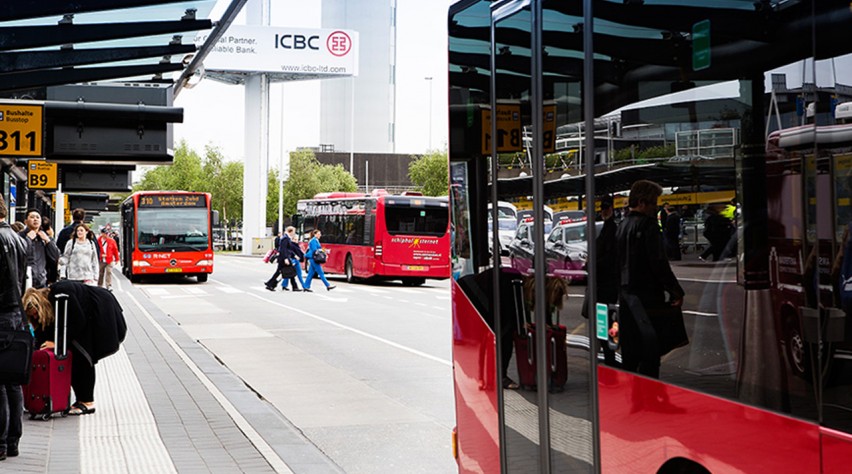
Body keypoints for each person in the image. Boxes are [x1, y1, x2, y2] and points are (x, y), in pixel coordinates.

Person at [22, 280, 127, 416]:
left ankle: (87, 401)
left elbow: (78, 320)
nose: (35, 317)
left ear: (41, 306)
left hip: (103, 312)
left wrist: (57, 343)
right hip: (90, 314)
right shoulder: (51, 303)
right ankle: (80, 399)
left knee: (82, 355)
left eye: (36, 313)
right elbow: (43, 333)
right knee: (75, 354)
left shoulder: (61, 294)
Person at [616, 180, 684, 378]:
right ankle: (649, 397)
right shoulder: (648, 226)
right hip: (647, 298)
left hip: (626, 298)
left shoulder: (622, 226)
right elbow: (658, 263)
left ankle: (633, 399)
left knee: (630, 352)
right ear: (642, 202)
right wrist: (675, 290)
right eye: (653, 203)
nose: (656, 208)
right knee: (650, 352)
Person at [0, 195, 28, 459]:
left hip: (0, 313)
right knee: (12, 380)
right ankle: (13, 441)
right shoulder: (19, 239)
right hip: (15, 314)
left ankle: (0, 443)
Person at [583, 195, 619, 367]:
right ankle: (608, 354)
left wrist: (591, 265)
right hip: (605, 285)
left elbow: (609, 258)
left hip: (606, 285)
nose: (603, 211)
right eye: (602, 208)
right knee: (605, 322)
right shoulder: (606, 228)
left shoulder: (610, 229)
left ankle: (609, 355)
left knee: (606, 322)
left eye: (606, 208)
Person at [19, 209, 60, 289]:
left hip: (42, 281)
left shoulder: (44, 238)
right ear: (26, 221)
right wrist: (28, 239)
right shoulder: (20, 237)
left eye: (38, 217)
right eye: (32, 217)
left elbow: (55, 257)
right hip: (24, 281)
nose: (35, 219)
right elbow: (19, 254)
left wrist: (48, 241)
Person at [263, 226, 304, 291]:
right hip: (284, 258)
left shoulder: (286, 238)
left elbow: (288, 249)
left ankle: (270, 284)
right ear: (290, 231)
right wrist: (285, 258)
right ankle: (271, 284)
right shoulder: (285, 238)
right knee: (288, 271)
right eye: (293, 231)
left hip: (285, 258)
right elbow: (283, 249)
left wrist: (294, 255)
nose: (294, 233)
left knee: (289, 272)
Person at [281, 226, 306, 291]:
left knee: (293, 274)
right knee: (292, 274)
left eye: (296, 239)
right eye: (294, 239)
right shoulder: (291, 244)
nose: (295, 240)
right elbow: (289, 251)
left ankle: (284, 285)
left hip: (296, 261)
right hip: (293, 260)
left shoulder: (296, 245)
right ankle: (304, 286)